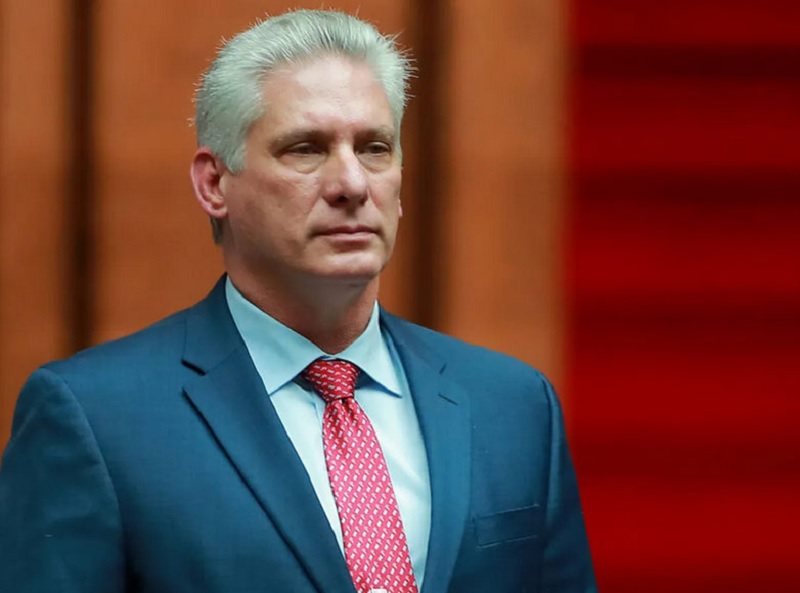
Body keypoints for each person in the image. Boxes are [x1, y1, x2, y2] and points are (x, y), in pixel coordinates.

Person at [0, 9, 596, 593]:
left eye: (374, 148)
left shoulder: (514, 406)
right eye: (306, 148)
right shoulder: (96, 418)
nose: (352, 184)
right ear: (214, 184)